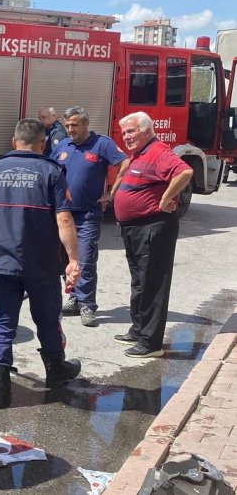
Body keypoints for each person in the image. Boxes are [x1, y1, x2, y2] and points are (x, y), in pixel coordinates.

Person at [0, 118, 81, 409]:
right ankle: (55, 372)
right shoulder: (52, 171)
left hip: (1, 261)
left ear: (14, 142)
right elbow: (64, 218)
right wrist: (73, 259)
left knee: (2, 321)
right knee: (47, 318)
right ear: (43, 144)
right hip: (42, 262)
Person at [110, 112, 193, 358]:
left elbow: (185, 172)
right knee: (139, 282)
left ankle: (151, 343)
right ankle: (138, 330)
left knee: (153, 284)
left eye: (131, 131)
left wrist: (166, 198)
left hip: (153, 228)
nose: (126, 136)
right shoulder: (140, 153)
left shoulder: (158, 151)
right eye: (124, 133)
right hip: (134, 228)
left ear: (146, 131)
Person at [52, 107, 127, 327]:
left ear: (86, 123)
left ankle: (87, 305)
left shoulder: (102, 144)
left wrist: (111, 193)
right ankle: (75, 298)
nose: (70, 129)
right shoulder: (63, 145)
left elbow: (125, 163)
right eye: (67, 125)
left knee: (85, 260)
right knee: (65, 260)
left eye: (74, 125)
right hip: (63, 215)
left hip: (87, 215)